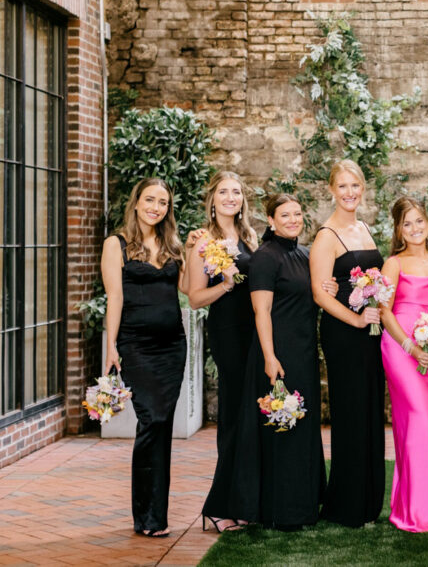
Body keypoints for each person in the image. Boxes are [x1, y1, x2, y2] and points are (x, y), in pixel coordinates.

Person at [102, 177, 203, 537]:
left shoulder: (171, 245)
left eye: (162, 202)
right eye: (150, 200)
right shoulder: (116, 244)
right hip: (136, 345)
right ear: (137, 202)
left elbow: (190, 290)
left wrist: (191, 251)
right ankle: (146, 516)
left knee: (160, 426)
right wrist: (111, 345)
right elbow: (114, 297)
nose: (155, 207)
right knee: (152, 422)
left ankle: (153, 517)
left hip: (172, 346)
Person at [228, 193, 327, 528]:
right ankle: (279, 509)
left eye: (298, 213)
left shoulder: (305, 254)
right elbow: (262, 311)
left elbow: (315, 294)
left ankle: (303, 505)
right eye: (285, 215)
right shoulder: (266, 258)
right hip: (278, 354)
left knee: (301, 428)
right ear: (270, 220)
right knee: (281, 427)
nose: (293, 219)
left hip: (304, 352)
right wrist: (270, 356)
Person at [310, 160, 385, 527]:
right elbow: (320, 295)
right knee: (351, 412)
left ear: (363, 188)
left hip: (371, 334)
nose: (349, 192)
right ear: (331, 190)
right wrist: (356, 318)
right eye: (342, 186)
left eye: (355, 185)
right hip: (344, 333)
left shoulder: (364, 228)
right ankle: (347, 503)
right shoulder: (327, 236)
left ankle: (369, 499)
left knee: (369, 410)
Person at [188, 172, 258, 533]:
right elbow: (194, 295)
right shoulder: (201, 240)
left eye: (236, 192)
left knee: (249, 414)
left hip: (254, 331)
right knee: (232, 412)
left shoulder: (250, 238)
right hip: (228, 330)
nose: (231, 197)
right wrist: (226, 286)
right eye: (223, 192)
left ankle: (243, 499)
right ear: (212, 199)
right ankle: (218, 506)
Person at [378, 197, 428, 532]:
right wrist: (409, 345)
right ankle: (422, 514)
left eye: (419, 221)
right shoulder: (393, 263)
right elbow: (384, 311)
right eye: (407, 224)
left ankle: (406, 505)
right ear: (399, 230)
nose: (415, 228)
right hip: (400, 348)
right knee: (418, 421)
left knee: (422, 426)